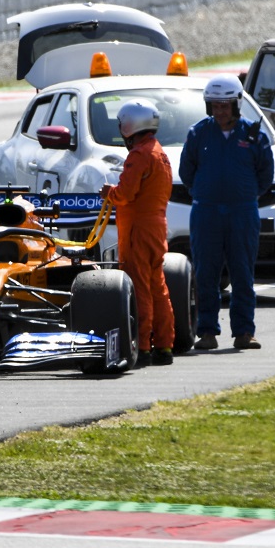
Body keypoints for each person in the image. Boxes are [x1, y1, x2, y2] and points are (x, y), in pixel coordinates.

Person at [179, 74, 273, 351]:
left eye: (225, 106)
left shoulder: (254, 135)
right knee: (206, 274)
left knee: (243, 272)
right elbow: (187, 172)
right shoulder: (198, 133)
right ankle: (207, 331)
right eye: (215, 106)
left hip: (243, 212)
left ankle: (244, 331)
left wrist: (245, 194)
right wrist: (205, 193)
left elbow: (265, 174)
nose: (220, 111)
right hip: (206, 212)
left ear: (237, 105)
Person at [101, 99, 175, 367]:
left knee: (139, 287)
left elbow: (125, 194)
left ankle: (143, 346)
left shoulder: (140, 155)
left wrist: (108, 192)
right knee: (159, 287)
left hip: (139, 230)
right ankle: (164, 346)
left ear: (129, 125)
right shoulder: (160, 153)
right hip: (157, 227)